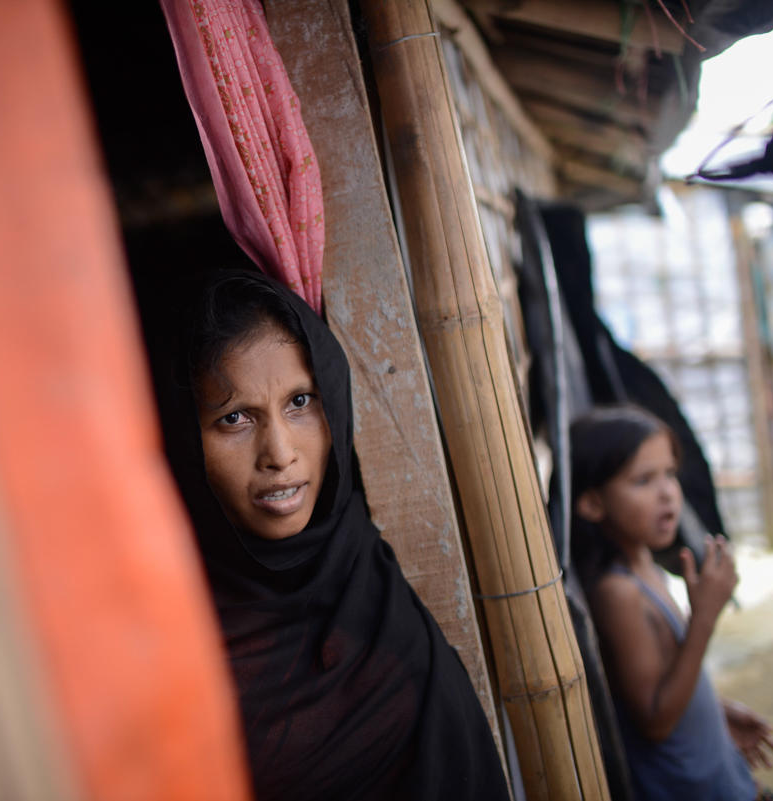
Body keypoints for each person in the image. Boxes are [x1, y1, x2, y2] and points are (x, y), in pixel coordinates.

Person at [156, 270, 509, 801]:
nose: (279, 452)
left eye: (300, 403)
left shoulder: (375, 593)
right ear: (185, 439)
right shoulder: (156, 639)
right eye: (234, 418)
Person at [570, 406, 773, 801]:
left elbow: (660, 675)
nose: (668, 491)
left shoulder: (645, 566)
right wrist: (704, 619)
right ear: (592, 504)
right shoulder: (618, 593)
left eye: (670, 473)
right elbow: (654, 720)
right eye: (644, 480)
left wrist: (717, 710)